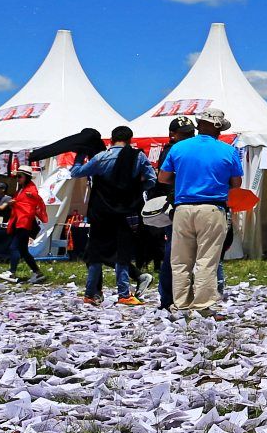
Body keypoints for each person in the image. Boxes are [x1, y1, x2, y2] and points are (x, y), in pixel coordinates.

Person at [157, 107, 243, 313]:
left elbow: (163, 178)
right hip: (212, 209)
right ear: (217, 128)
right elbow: (236, 183)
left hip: (183, 209)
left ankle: (181, 304)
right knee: (207, 260)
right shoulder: (228, 150)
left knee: (180, 261)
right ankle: (202, 306)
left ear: (199, 125)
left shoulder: (178, 148)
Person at [70, 125, 157, 306]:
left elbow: (76, 172)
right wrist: (134, 189)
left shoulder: (101, 157)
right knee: (122, 254)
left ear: (111, 139)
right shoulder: (138, 157)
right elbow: (151, 180)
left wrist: (80, 154)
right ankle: (123, 294)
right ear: (130, 140)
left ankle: (90, 293)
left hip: (100, 213)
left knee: (95, 253)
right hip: (124, 211)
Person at [145, 116, 194, 308]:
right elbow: (164, 179)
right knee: (174, 253)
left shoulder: (186, 149)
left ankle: (180, 296)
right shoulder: (171, 152)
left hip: (185, 205)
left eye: (191, 133)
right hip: (176, 207)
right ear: (173, 135)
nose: (190, 137)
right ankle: (167, 298)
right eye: (185, 134)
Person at [0, 172, 47, 283]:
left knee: (14, 247)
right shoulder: (22, 189)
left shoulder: (30, 189)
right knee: (23, 250)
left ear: (27, 177)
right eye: (17, 176)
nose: (17, 178)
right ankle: (37, 273)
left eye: (20, 176)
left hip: (24, 222)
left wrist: (18, 202)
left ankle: (12, 272)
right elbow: (22, 202)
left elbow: (32, 203)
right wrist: (14, 203)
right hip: (20, 221)